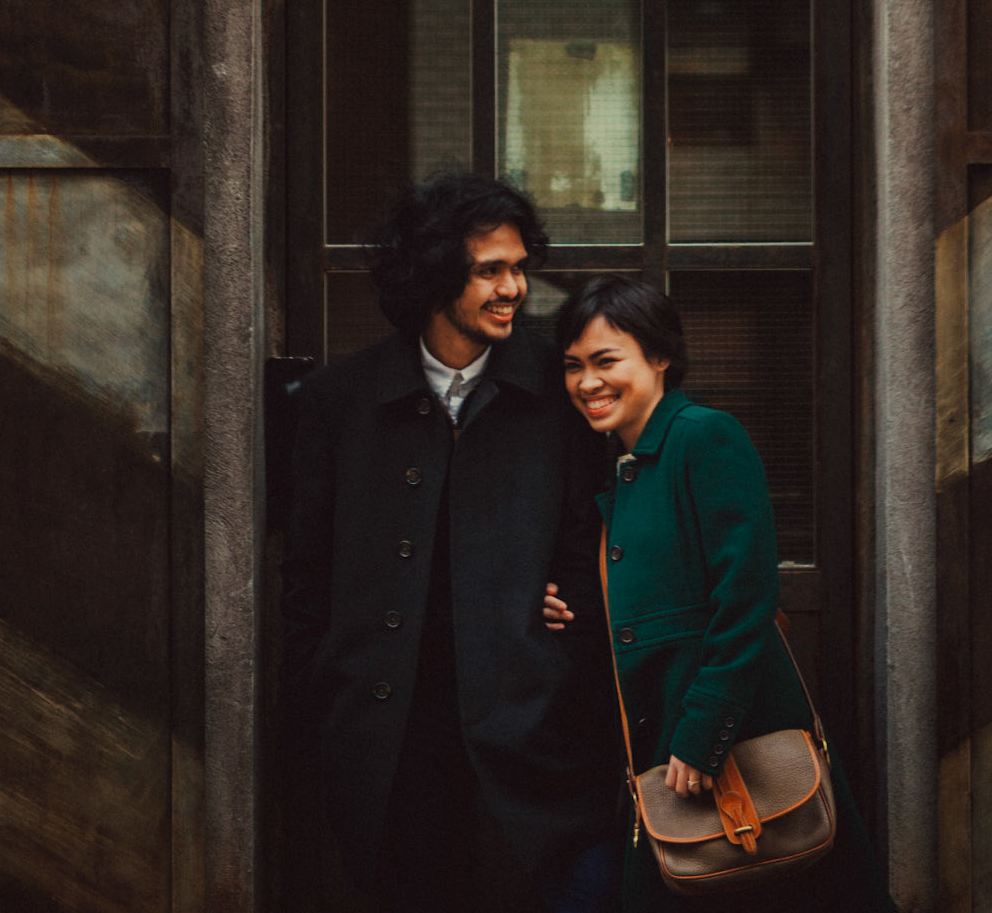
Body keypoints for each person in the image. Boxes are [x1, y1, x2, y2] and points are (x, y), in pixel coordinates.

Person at [282, 173, 622, 913]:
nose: (514, 288)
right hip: (387, 735)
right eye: (490, 270)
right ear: (435, 274)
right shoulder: (342, 400)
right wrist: (325, 692)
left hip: (530, 728)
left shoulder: (557, 388)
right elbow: (306, 574)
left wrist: (570, 629)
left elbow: (590, 539)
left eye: (520, 267)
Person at [546, 276, 895, 912]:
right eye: (573, 367)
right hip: (660, 741)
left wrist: (703, 730)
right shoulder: (618, 464)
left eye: (605, 361)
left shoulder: (703, 436)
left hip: (727, 736)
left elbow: (747, 597)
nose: (587, 382)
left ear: (660, 357)